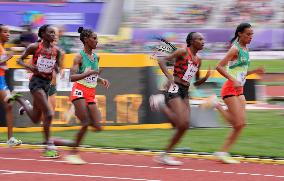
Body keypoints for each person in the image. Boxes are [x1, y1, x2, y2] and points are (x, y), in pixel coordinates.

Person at [202, 23, 265, 163]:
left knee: (241, 125)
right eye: (248, 34)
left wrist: (254, 71)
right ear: (240, 34)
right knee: (237, 124)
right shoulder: (235, 49)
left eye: (252, 34)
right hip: (230, 88)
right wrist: (233, 80)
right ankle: (216, 104)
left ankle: (222, 152)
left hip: (239, 90)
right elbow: (219, 66)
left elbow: (240, 72)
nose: (251, 37)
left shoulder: (245, 49)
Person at [149, 32, 211, 166]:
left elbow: (195, 82)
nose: (203, 41)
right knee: (181, 123)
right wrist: (169, 76)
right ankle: (160, 103)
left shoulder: (198, 60)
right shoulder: (183, 52)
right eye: (200, 39)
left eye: (203, 39)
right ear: (192, 41)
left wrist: (205, 79)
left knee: (184, 126)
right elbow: (161, 60)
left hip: (185, 91)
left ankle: (164, 155)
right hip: (175, 87)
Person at [52, 27, 110, 165]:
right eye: (94, 38)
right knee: (85, 123)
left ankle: (61, 141)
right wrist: (90, 73)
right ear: (86, 40)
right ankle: (73, 154)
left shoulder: (97, 57)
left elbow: (93, 76)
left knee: (97, 126)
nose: (97, 41)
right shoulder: (79, 57)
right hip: (79, 92)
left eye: (97, 38)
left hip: (90, 93)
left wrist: (101, 80)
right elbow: (71, 77)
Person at [13, 24, 62, 158]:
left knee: (35, 118)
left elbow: (57, 66)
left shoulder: (57, 51)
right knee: (49, 113)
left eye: (54, 33)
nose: (54, 35)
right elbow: (19, 60)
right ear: (43, 34)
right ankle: (48, 146)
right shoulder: (34, 47)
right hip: (36, 83)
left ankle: (22, 101)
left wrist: (58, 69)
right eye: (51, 33)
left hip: (46, 84)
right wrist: (30, 66)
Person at [0, 24, 22, 147]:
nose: (8, 34)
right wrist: (8, 57)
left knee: (9, 105)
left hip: (1, 79)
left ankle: (10, 139)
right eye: (5, 32)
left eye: (8, 32)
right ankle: (10, 138)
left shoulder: (2, 47)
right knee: (9, 104)